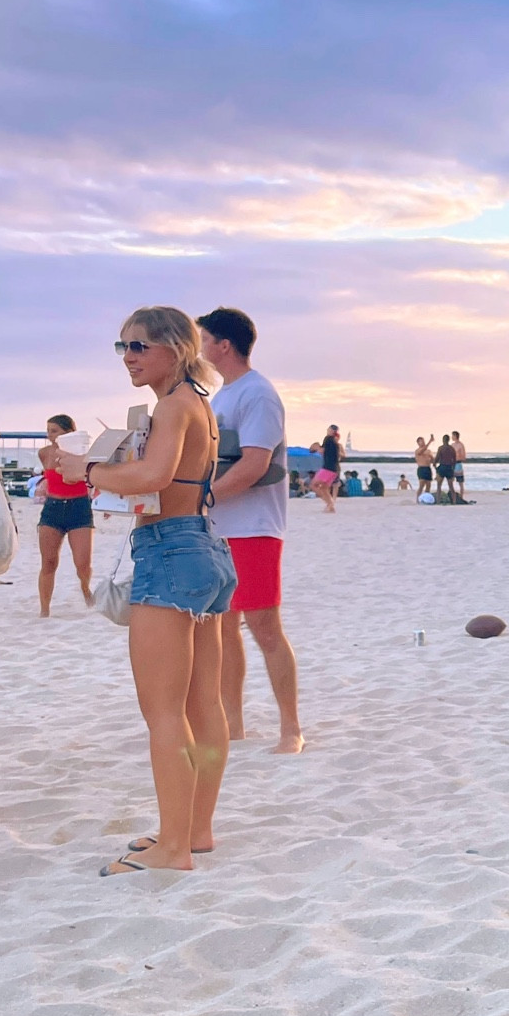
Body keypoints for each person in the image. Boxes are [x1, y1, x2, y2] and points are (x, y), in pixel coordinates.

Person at [57, 308, 235, 874]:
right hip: (203, 545)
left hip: (170, 550)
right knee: (202, 703)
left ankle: (174, 849)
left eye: (139, 346)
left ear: (175, 349)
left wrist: (87, 471)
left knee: (162, 711)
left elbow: (155, 477)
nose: (129, 356)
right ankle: (194, 830)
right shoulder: (196, 404)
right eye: (121, 346)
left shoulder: (174, 405)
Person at [197, 308, 304, 758]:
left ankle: (291, 728)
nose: (200, 347)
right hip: (222, 528)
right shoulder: (222, 395)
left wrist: (203, 499)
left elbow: (256, 463)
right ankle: (234, 723)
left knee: (265, 627)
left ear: (225, 345)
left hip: (256, 527)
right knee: (224, 627)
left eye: (204, 339)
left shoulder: (258, 394)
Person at [36, 413, 95, 614]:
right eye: (48, 431)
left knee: (82, 564)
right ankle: (44, 609)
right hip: (52, 509)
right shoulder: (44, 453)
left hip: (79, 508)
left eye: (54, 431)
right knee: (49, 562)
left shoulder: (82, 453)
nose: (50, 435)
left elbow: (91, 478)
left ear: (69, 432)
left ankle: (85, 589)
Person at [313, 425, 341, 511]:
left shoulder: (328, 439)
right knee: (324, 488)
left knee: (314, 485)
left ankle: (330, 503)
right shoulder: (335, 442)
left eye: (328, 429)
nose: (327, 430)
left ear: (332, 431)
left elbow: (322, 451)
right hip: (335, 469)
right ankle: (330, 506)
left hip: (328, 467)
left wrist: (316, 449)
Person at [434, 433, 457, 501]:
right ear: (448, 440)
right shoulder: (452, 448)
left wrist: (435, 467)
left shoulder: (441, 448)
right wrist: (453, 469)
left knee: (439, 486)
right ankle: (454, 501)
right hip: (449, 468)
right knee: (451, 487)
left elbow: (437, 458)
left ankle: (438, 501)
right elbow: (454, 460)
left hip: (442, 467)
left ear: (443, 440)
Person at [451, 428, 469, 501]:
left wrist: (458, 458)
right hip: (452, 464)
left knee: (460, 482)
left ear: (455, 436)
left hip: (458, 464)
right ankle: (452, 497)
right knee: (451, 481)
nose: (452, 437)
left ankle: (461, 497)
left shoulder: (461, 445)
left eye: (453, 436)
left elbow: (464, 456)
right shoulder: (452, 445)